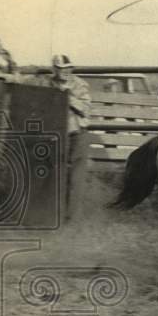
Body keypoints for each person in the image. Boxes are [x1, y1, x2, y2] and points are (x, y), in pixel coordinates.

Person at [48, 54, 92, 222]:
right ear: (54, 69)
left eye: (68, 68)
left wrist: (67, 96)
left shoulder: (80, 84)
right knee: (53, 173)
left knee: (76, 177)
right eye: (60, 69)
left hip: (77, 134)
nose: (65, 72)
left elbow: (86, 109)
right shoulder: (47, 83)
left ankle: (72, 217)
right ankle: (52, 212)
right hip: (55, 136)